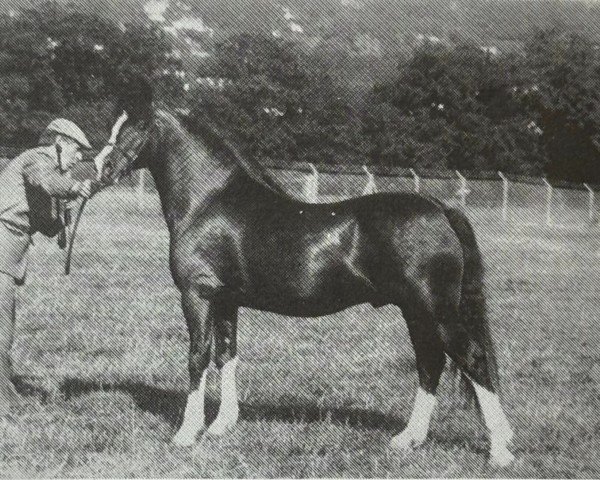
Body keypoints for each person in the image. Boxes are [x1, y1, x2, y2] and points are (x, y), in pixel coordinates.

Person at [0, 118, 96, 414]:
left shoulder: (48, 170)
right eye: (77, 150)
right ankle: (3, 394)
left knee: (5, 321)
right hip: (2, 243)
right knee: (1, 324)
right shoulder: (38, 159)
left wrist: (76, 199)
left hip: (11, 251)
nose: (79, 157)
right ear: (59, 144)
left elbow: (49, 226)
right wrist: (74, 186)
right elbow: (46, 180)